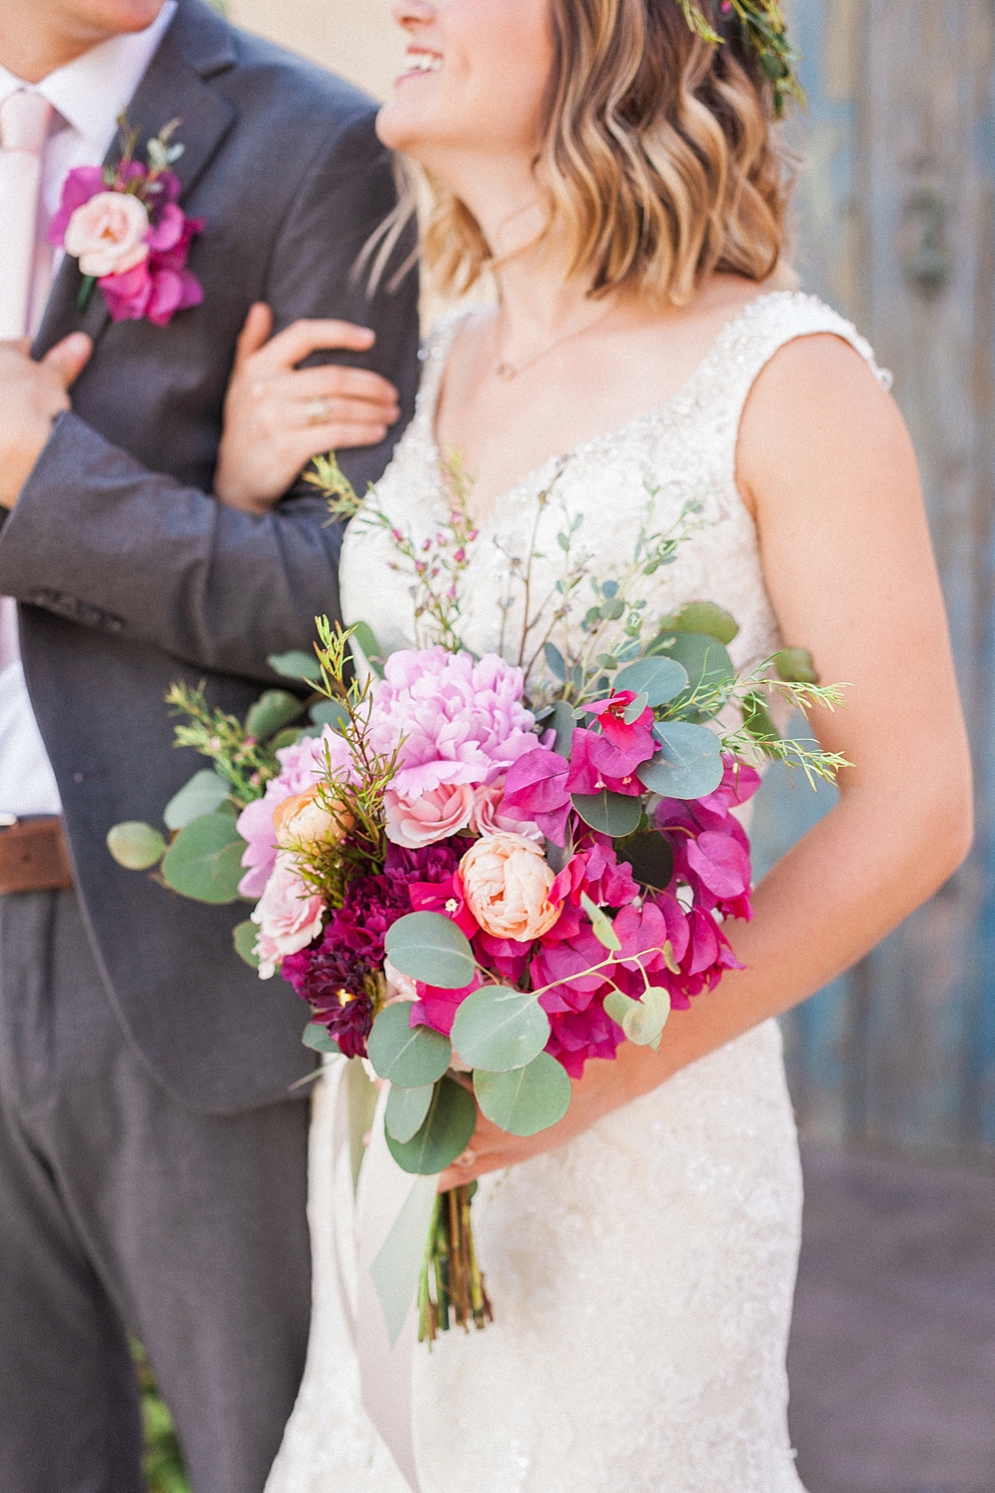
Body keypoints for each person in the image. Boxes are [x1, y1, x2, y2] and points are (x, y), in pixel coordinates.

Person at [216, 0, 971, 1489]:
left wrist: (596, 1069)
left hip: (638, 1152)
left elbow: (921, 804)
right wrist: (247, 490)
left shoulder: (783, 377)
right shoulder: (446, 355)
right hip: (399, 1125)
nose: (403, 8)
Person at [0, 1, 420, 1489]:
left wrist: (47, 477)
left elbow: (349, 595)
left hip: (173, 947)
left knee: (271, 1456)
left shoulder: (314, 145)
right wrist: (198, 498)